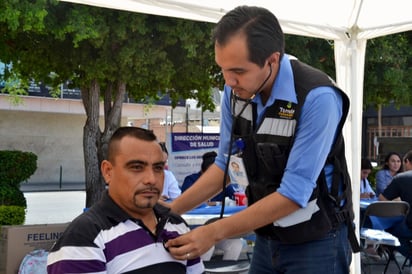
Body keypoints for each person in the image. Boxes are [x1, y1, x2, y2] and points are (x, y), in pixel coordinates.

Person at [164, 6, 358, 274]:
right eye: (222, 69)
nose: (229, 81)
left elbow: (293, 193)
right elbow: (224, 165)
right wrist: (172, 210)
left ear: (272, 61)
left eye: (238, 71)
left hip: (317, 240)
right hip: (267, 235)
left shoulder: (317, 98)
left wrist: (213, 233)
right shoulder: (234, 91)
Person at [47, 127, 204, 274]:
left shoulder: (176, 225)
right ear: (108, 172)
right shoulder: (84, 237)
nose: (151, 179)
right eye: (136, 167)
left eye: (158, 168)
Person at [182, 151, 243, 261]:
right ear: (202, 171)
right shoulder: (191, 180)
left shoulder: (222, 181)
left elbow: (235, 197)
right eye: (210, 173)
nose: (213, 177)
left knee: (236, 244)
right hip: (194, 231)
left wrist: (216, 203)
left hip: (217, 230)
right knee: (207, 247)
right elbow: (186, 202)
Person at [379, 150, 412, 258]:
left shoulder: (402, 178)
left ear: (407, 161)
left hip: (409, 226)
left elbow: (382, 199)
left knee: (391, 232)